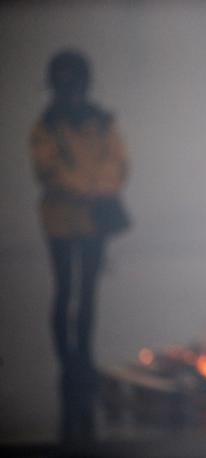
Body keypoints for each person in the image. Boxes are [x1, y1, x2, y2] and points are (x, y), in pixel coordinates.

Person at [29, 49, 128, 442]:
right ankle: (67, 364)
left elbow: (118, 163)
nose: (70, 91)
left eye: (75, 84)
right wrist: (85, 191)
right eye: (64, 84)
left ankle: (83, 361)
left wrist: (94, 191)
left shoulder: (102, 123)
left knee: (87, 293)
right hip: (60, 219)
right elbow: (46, 169)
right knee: (64, 291)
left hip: (93, 220)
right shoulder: (47, 126)